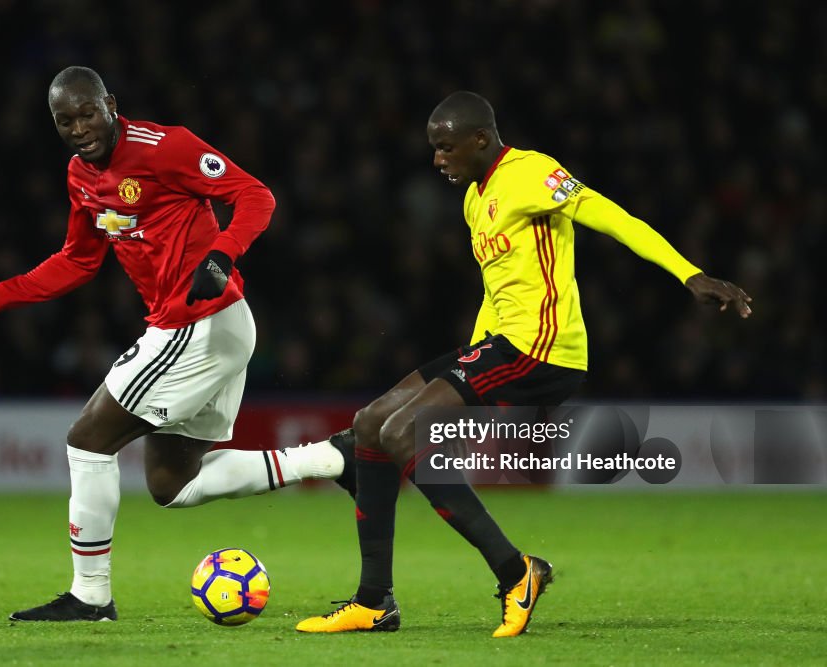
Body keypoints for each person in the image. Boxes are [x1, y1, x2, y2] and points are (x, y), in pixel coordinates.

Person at [294, 91, 752, 637]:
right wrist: (461, 381)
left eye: (445, 149)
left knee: (402, 433)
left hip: (543, 346)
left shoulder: (532, 172)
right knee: (372, 423)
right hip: (502, 342)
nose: (437, 160)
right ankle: (374, 602)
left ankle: (517, 573)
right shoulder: (472, 199)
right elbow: (496, 289)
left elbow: (613, 216)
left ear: (480, 140)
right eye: (434, 149)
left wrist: (688, 273)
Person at [0, 66, 355, 622]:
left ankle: (90, 596)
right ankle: (332, 457)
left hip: (198, 323)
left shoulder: (166, 147)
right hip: (209, 328)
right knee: (172, 484)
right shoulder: (80, 176)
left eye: (88, 113)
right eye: (65, 121)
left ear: (111, 104)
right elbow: (78, 260)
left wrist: (221, 254)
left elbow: (256, 196)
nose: (80, 128)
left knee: (87, 441)